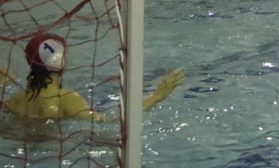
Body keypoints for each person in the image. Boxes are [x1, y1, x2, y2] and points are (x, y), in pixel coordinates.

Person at [1, 32, 184, 120]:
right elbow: (114, 122)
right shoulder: (67, 99)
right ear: (59, 61)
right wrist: (157, 96)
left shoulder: (16, 100)